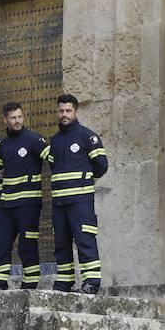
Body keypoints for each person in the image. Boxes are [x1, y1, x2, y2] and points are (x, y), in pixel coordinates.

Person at [48, 93, 109, 293]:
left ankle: (91, 282)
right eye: (61, 111)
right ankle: (64, 282)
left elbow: (101, 165)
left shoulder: (87, 136)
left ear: (75, 112)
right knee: (61, 242)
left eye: (68, 111)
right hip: (59, 202)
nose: (64, 114)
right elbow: (52, 166)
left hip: (80, 202)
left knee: (84, 240)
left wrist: (83, 181)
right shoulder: (55, 140)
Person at [0, 102, 48, 290]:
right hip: (7, 205)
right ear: (4, 119)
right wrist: (0, 193)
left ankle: (30, 283)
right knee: (1, 242)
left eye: (20, 117)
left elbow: (53, 159)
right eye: (13, 118)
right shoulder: (2, 146)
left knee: (27, 244)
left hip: (28, 205)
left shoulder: (34, 140)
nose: (17, 121)